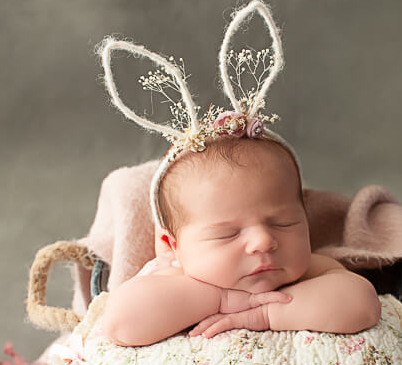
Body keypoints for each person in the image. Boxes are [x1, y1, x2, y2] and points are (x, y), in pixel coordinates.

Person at [102, 135, 382, 347]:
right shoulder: (173, 279)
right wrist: (220, 299)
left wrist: (264, 315)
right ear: (172, 246)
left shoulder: (310, 271)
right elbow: (119, 324)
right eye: (228, 234)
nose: (263, 241)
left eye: (283, 223)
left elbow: (363, 304)